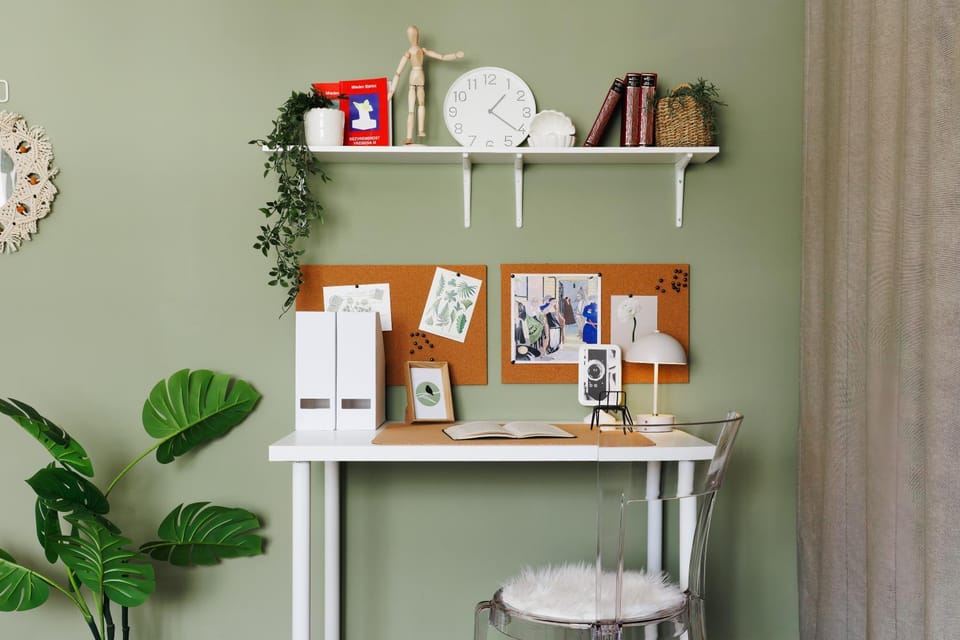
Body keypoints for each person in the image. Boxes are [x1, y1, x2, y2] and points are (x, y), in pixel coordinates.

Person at [387, 25, 464, 144]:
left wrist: (455, 55)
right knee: (414, 107)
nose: (413, 37)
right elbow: (398, 72)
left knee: (419, 105)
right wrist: (391, 91)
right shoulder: (415, 52)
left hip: (417, 76)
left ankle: (419, 131)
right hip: (416, 76)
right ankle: (410, 136)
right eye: (412, 34)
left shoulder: (420, 51)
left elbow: (441, 57)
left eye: (414, 34)